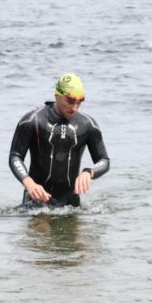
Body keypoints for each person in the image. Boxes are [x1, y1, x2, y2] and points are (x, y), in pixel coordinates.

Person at [9, 74, 110, 208]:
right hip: (37, 201)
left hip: (71, 205)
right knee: (40, 227)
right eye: (70, 101)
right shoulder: (32, 120)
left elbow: (104, 161)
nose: (74, 107)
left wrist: (89, 172)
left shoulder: (88, 125)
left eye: (79, 102)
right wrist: (28, 182)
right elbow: (15, 156)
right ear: (57, 95)